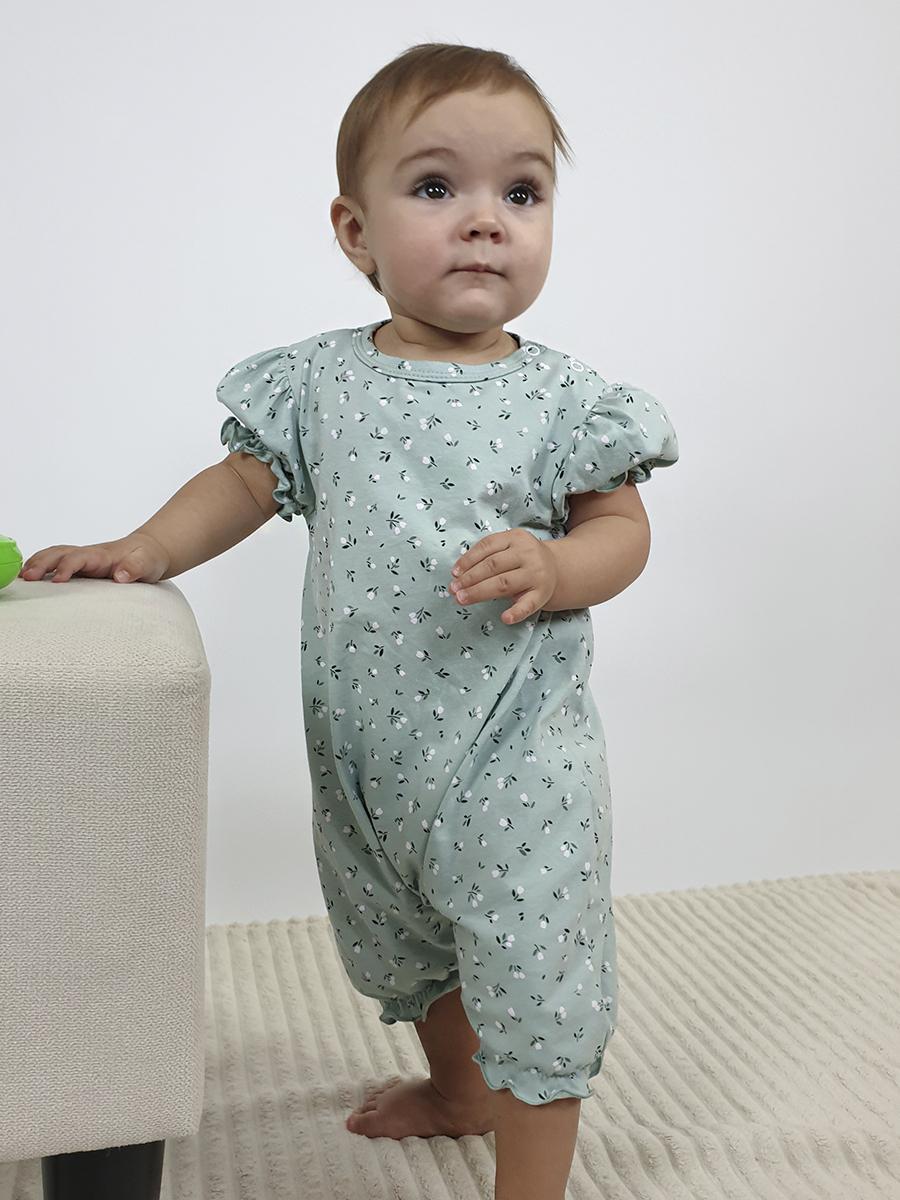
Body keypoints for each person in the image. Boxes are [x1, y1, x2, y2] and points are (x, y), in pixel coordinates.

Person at [19, 42, 679, 1200]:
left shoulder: (569, 402)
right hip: (373, 758)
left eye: (522, 192)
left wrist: (562, 563)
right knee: (406, 937)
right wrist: (148, 548)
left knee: (532, 964)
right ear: (355, 231)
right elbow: (241, 485)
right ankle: (458, 1091)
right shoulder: (317, 385)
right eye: (437, 187)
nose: (486, 220)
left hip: (515, 752)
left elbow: (622, 530)